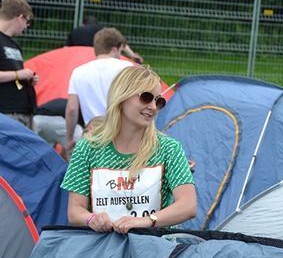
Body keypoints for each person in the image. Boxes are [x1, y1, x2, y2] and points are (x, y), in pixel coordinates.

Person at [61, 65, 197, 233]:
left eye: (158, 101)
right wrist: (91, 219)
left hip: (154, 249)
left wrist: (147, 221)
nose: (153, 107)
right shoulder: (88, 148)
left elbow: (188, 205)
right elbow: (74, 211)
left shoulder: (169, 148)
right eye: (146, 97)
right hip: (102, 249)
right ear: (122, 97)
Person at [65, 27, 134, 154]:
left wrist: (69, 138)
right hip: (121, 132)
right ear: (116, 48)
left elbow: (72, 110)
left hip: (93, 133)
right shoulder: (127, 68)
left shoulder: (78, 72)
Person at [0, 0, 39, 129]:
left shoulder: (15, 45)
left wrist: (28, 79)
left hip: (23, 112)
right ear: (19, 17)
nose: (26, 26)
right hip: (5, 112)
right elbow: (14, 74)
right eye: (27, 21)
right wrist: (18, 75)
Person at [66, 15, 144, 63]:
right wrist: (132, 55)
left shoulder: (75, 31)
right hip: (92, 55)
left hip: (77, 56)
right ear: (96, 23)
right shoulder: (100, 29)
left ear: (83, 24)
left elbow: (65, 49)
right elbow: (118, 40)